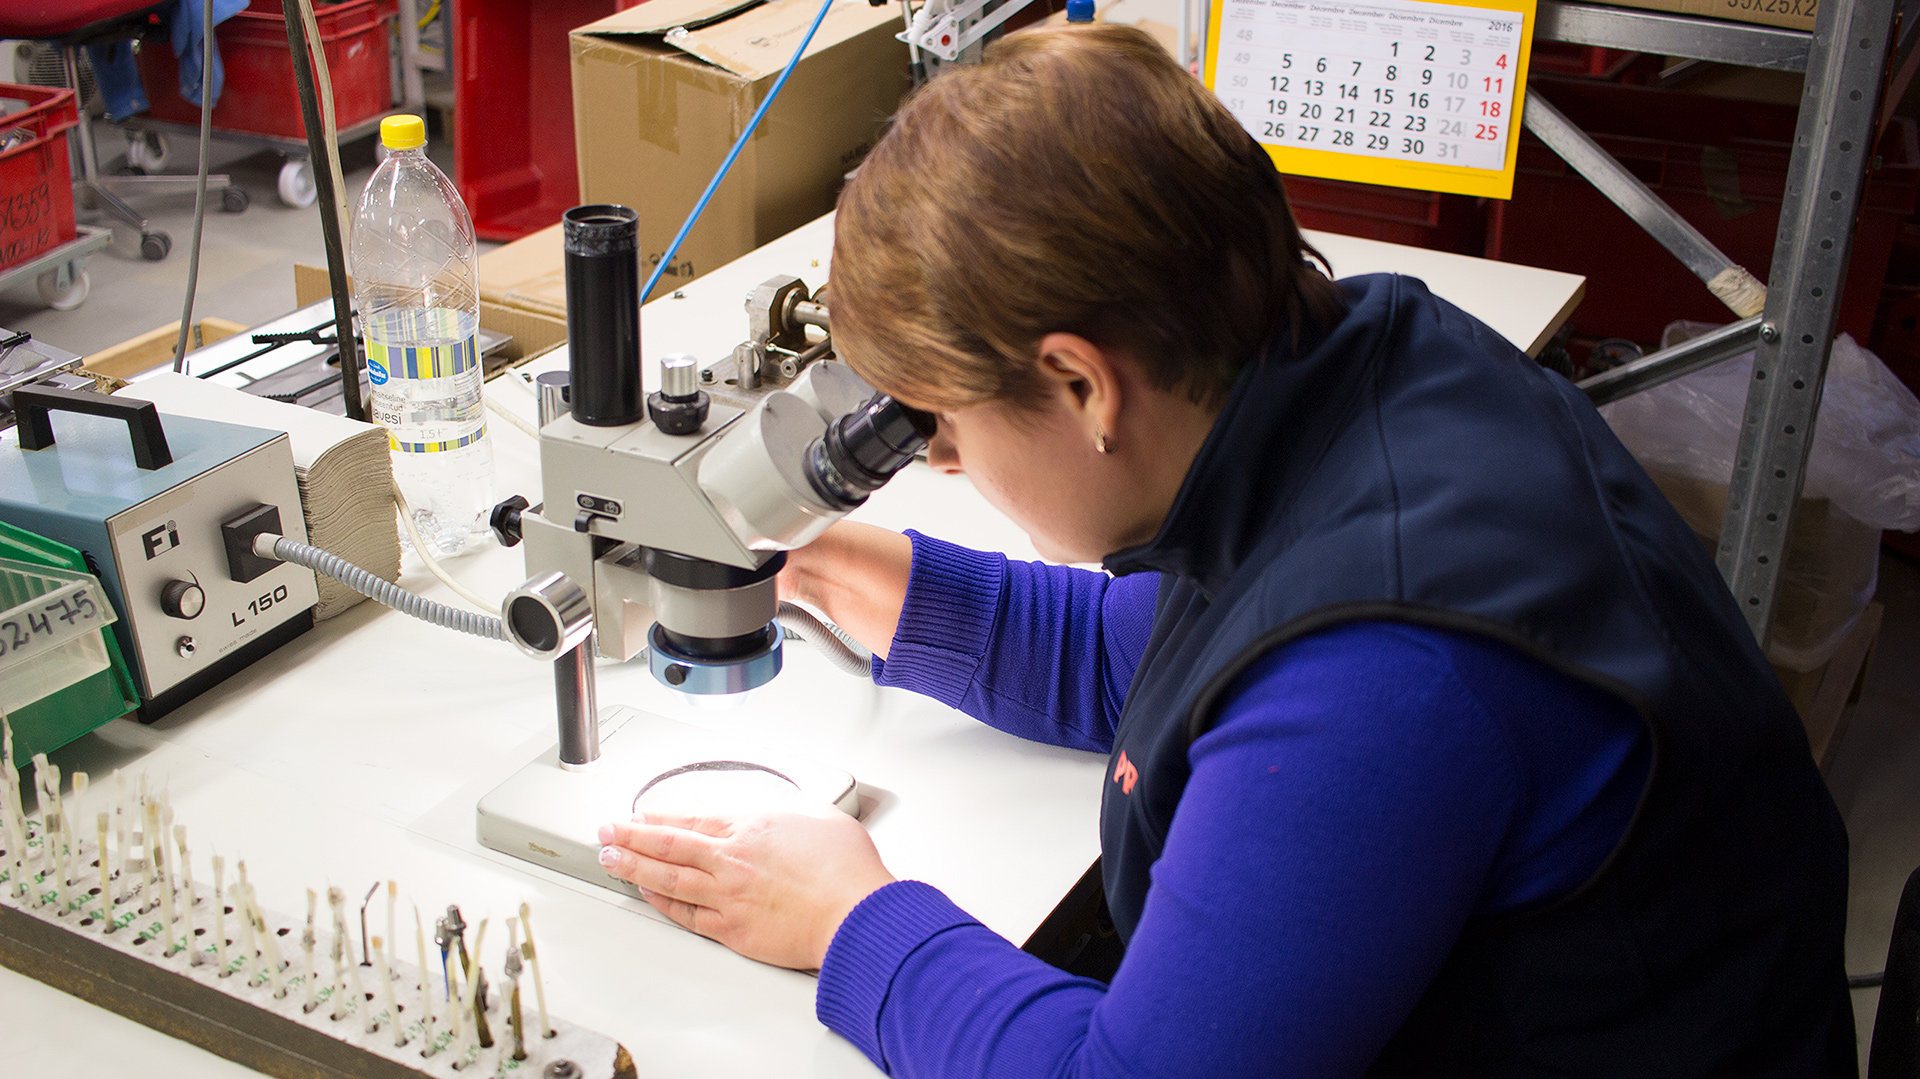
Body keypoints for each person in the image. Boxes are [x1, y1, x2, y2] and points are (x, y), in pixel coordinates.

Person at [595, 24, 1855, 1077]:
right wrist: (884, 582)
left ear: (1083, 387)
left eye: (944, 424)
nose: (946, 464)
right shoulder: (1358, 369)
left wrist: (855, 920)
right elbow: (1171, 656)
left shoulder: (1388, 676)